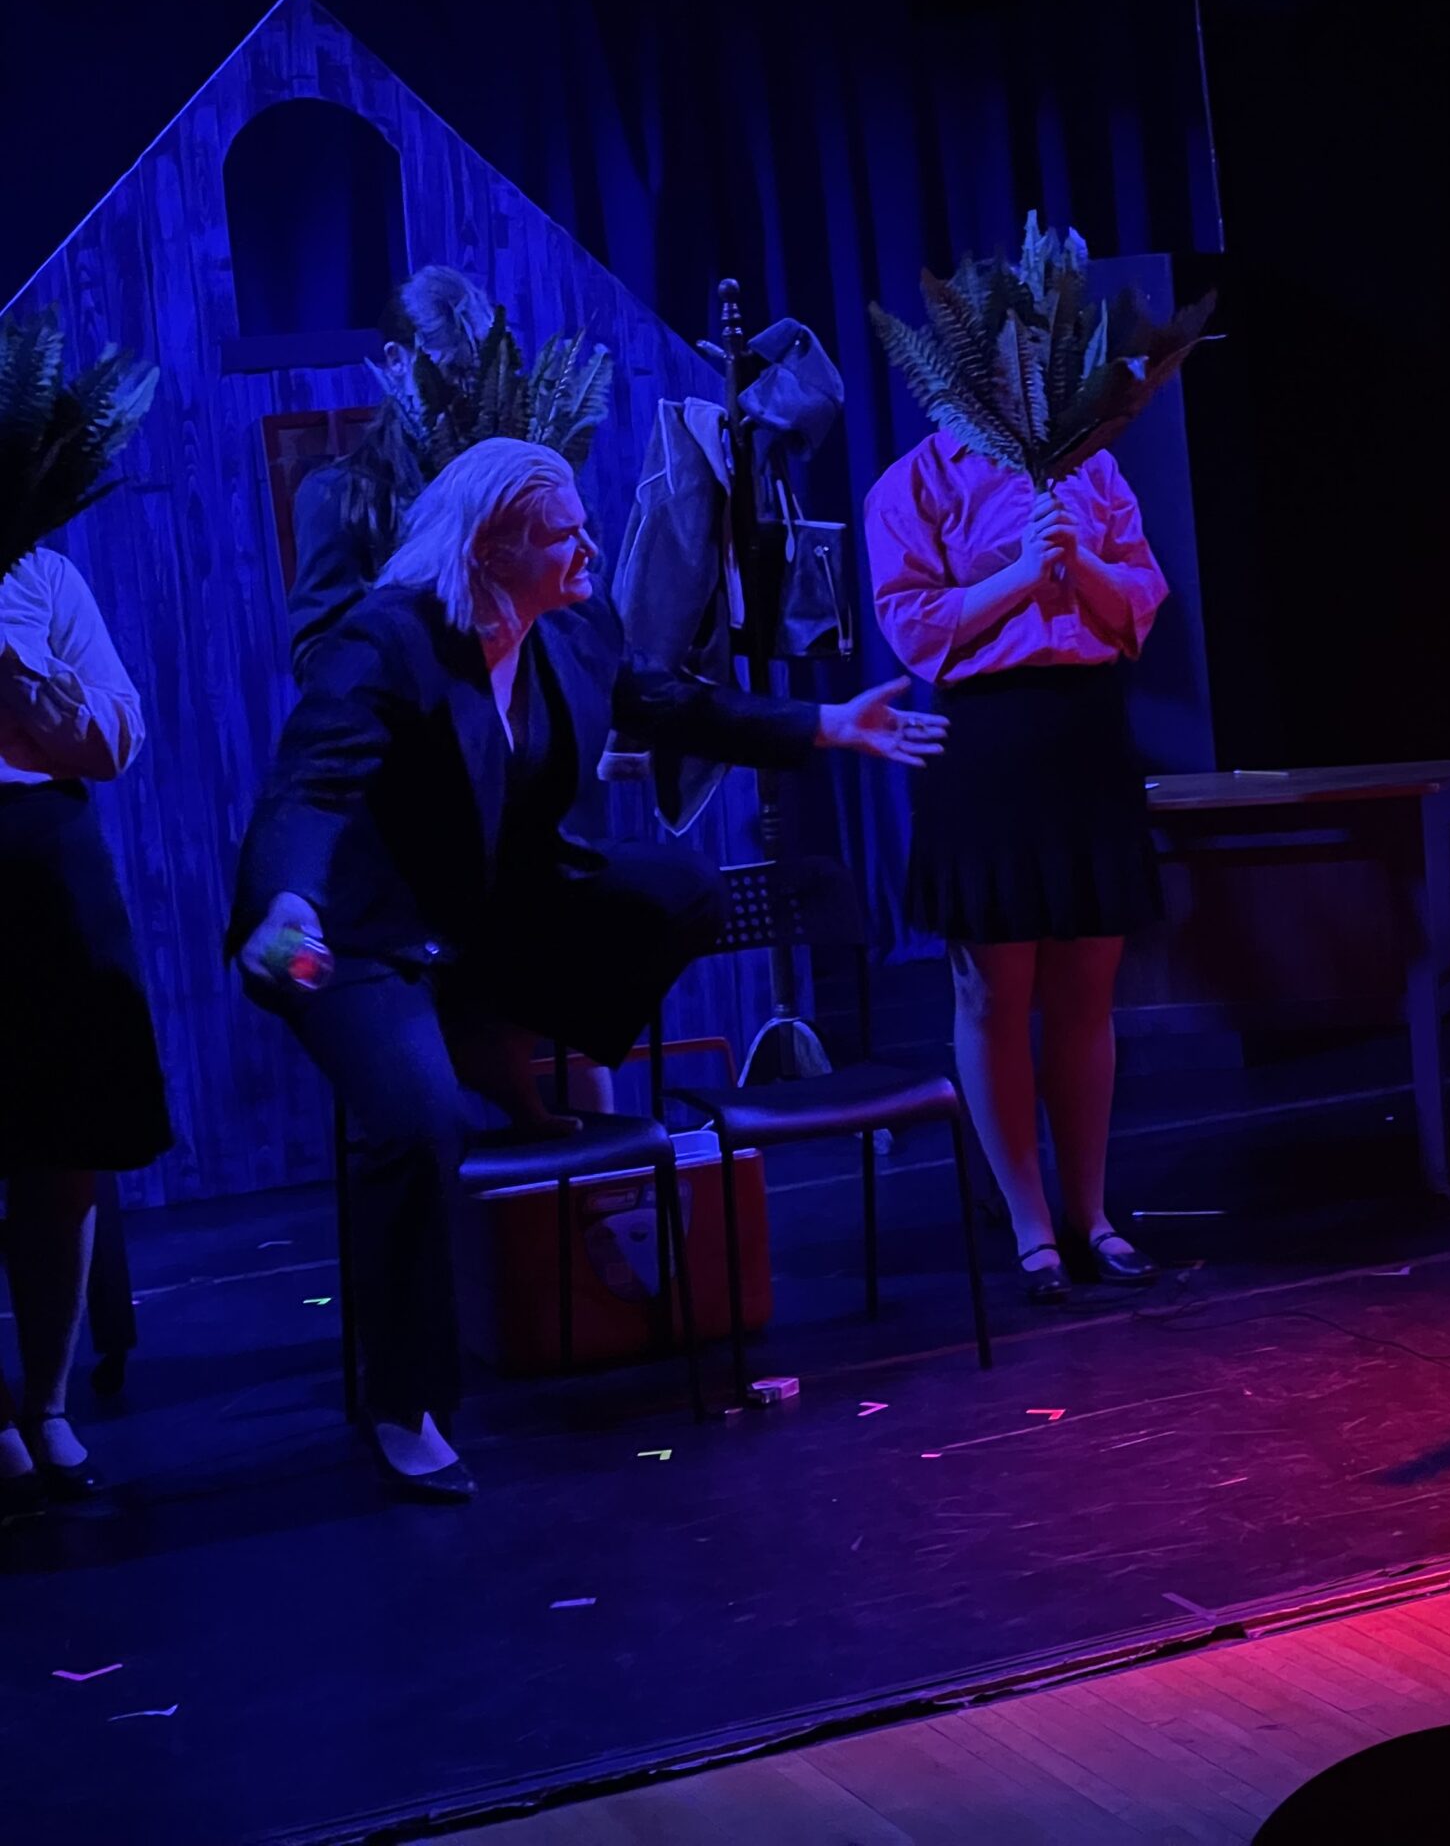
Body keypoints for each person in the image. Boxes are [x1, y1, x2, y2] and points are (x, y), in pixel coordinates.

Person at [231, 438, 945, 1502]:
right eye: (564, 534)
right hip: (354, 931)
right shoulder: (385, 641)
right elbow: (310, 787)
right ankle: (405, 1404)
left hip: (482, 919)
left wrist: (825, 725)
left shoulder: (572, 627)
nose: (591, 548)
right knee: (418, 1130)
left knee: (678, 891)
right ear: (490, 549)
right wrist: (288, 900)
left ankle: (488, 1025)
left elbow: (668, 700)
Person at [865, 432, 1167, 1303]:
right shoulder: (916, 479)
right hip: (984, 738)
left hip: (1086, 734)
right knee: (995, 992)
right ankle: (1031, 1224)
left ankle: (1091, 1215)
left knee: (1087, 988)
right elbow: (913, 626)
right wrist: (1025, 575)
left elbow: (1141, 599)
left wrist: (1082, 563)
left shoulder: (1093, 467)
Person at [0, 545, 170, 1516]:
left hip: (43, 859)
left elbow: (112, 740)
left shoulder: (43, 575)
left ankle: (48, 1403)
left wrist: (17, 669)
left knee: (65, 1144)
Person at [284, 265, 496, 683]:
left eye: (483, 376)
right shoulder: (336, 498)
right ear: (396, 361)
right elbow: (319, 661)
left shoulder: (517, 477)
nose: (469, 395)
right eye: (451, 374)